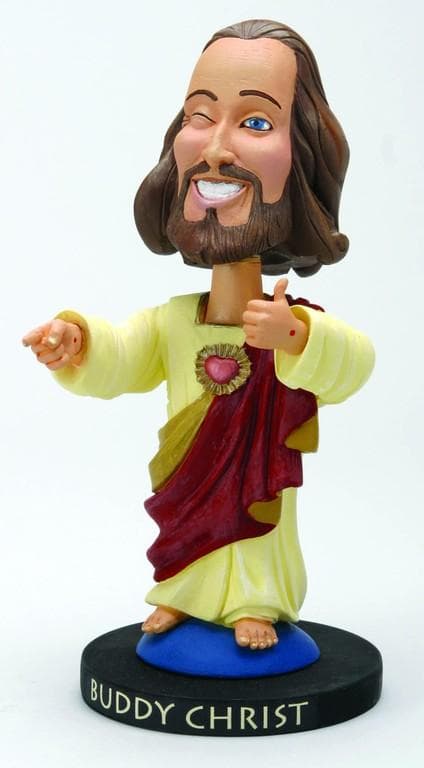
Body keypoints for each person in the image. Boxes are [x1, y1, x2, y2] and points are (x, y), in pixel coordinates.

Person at [22, 20, 374, 651]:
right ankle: (182, 593)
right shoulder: (174, 321)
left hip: (263, 509)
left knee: (260, 514)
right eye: (199, 116)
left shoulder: (293, 324)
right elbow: (123, 352)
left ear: (301, 156)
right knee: (185, 515)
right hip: (185, 488)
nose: (216, 148)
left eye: (256, 122)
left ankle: (256, 601)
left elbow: (355, 363)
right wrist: (78, 341)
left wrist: (297, 337)